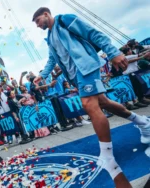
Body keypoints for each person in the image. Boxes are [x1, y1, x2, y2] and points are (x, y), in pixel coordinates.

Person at [32, 7, 149, 188]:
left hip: (86, 67)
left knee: (88, 104)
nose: (38, 26)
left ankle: (107, 156)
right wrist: (43, 75)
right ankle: (142, 122)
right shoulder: (50, 38)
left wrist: (113, 53)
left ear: (46, 14)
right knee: (104, 103)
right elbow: (51, 60)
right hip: (76, 77)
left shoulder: (66, 20)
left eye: (38, 21)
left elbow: (93, 34)